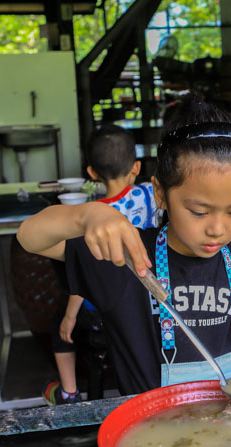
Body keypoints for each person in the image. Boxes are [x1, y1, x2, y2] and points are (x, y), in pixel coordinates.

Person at [19, 94, 231, 395]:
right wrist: (87, 214)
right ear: (160, 193)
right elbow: (29, 237)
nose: (218, 229)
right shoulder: (126, 258)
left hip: (230, 425)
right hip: (150, 433)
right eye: (199, 212)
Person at [43, 125, 161, 405]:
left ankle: (69, 392)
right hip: (150, 295)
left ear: (92, 173)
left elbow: (84, 277)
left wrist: (70, 316)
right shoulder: (149, 193)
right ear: (136, 167)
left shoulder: (94, 220)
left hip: (106, 305)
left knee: (58, 323)